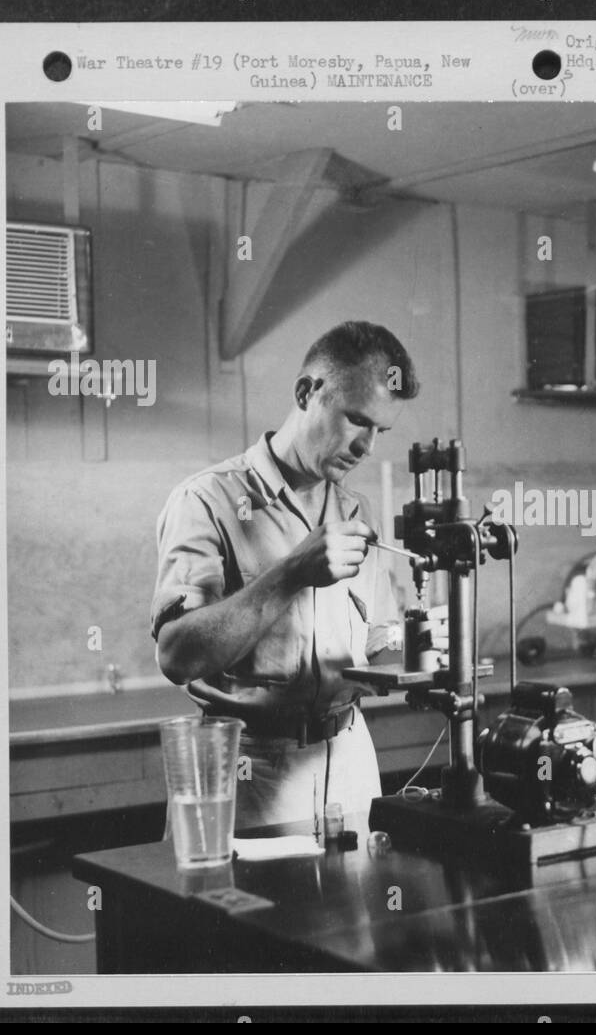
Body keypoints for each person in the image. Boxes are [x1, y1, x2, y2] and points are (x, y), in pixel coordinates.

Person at [150, 321, 418, 829]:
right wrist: (291, 573)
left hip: (351, 761)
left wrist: (429, 651)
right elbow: (178, 655)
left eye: (381, 430)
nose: (368, 447)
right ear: (306, 392)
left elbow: (381, 646)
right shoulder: (207, 501)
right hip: (253, 770)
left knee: (363, 906)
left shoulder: (356, 510)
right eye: (357, 419)